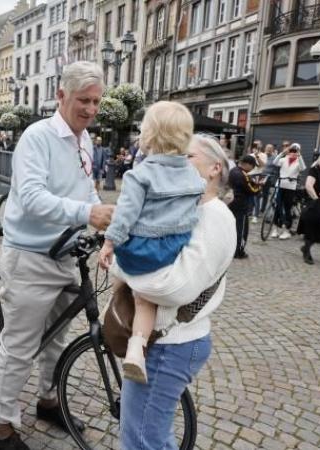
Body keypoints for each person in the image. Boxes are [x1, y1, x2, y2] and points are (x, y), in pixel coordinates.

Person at [0, 61, 114, 450]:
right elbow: (29, 198)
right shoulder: (37, 137)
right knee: (21, 344)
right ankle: (3, 426)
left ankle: (48, 399)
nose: (91, 109)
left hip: (67, 253)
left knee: (58, 338)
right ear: (61, 96)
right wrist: (85, 213)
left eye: (96, 101)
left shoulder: (85, 139)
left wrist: (101, 216)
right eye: (84, 101)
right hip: (31, 255)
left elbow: (84, 189)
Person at [117, 133, 235, 450]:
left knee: (144, 439)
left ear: (215, 168)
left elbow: (175, 287)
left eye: (187, 157)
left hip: (171, 343)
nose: (175, 164)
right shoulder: (189, 209)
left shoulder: (214, 216)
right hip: (168, 340)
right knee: (144, 434)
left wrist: (121, 268)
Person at [98, 101, 205, 384]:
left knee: (129, 282)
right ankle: (138, 347)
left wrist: (109, 243)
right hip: (173, 246)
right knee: (146, 299)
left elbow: (124, 216)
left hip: (142, 248)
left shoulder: (140, 175)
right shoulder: (193, 174)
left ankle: (121, 324)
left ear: (148, 135)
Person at [270, 142, 306, 240]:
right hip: (280, 185)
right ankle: (275, 228)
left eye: (296, 151)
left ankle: (286, 230)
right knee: (277, 207)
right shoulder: (283, 159)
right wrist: (282, 153)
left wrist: (300, 156)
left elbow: (303, 168)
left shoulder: (299, 161)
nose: (293, 153)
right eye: (292, 151)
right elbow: (275, 162)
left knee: (287, 208)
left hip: (290, 187)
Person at [228, 155, 262, 258]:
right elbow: (252, 190)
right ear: (247, 164)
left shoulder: (233, 170)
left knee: (232, 228)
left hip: (232, 203)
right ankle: (239, 251)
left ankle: (230, 249)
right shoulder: (243, 174)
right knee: (241, 230)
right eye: (252, 166)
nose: (252, 169)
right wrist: (260, 186)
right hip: (241, 206)